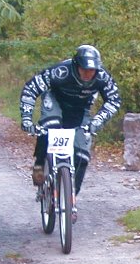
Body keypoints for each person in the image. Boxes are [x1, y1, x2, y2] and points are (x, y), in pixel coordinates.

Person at [19, 44, 121, 195]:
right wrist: (26, 119)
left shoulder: (102, 77)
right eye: (84, 69)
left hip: (80, 110)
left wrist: (97, 121)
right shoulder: (60, 72)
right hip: (56, 102)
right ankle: (40, 163)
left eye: (92, 70)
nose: (88, 74)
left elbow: (114, 100)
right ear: (76, 65)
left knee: (82, 156)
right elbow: (30, 89)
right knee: (50, 126)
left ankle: (70, 197)